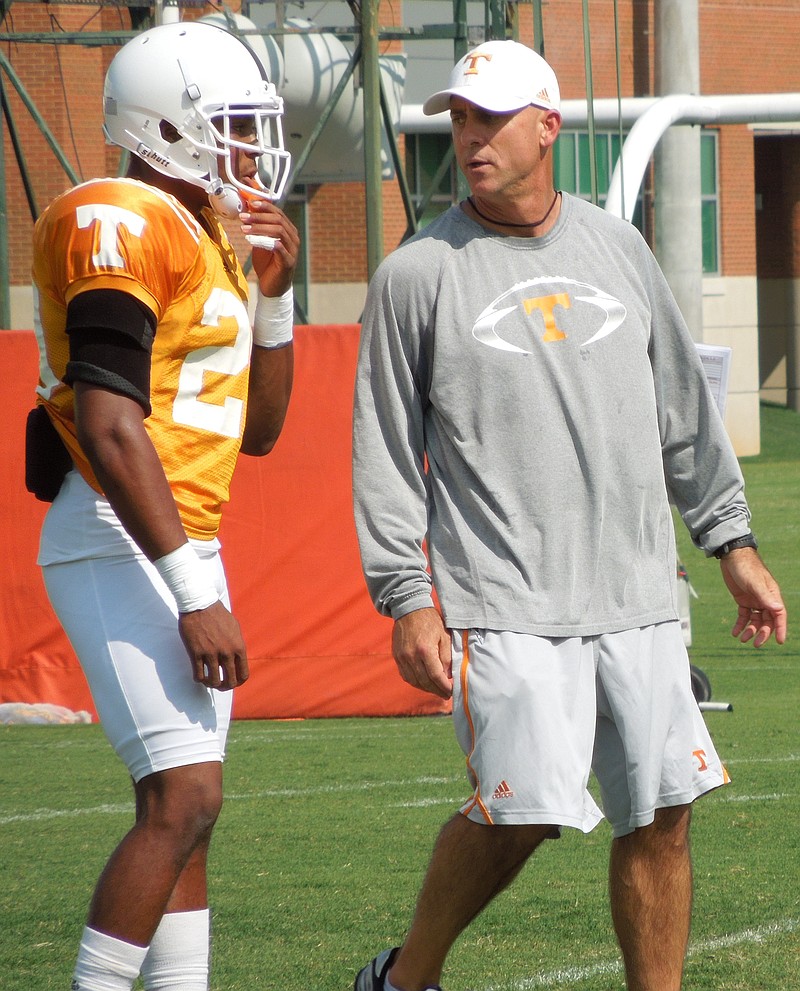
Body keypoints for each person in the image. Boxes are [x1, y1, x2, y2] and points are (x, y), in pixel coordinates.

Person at [351, 39, 787, 991]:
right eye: (460, 117)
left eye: (494, 116)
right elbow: (384, 452)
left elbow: (683, 407)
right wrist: (406, 596)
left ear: (548, 126)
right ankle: (404, 978)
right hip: (502, 600)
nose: (471, 135)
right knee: (524, 810)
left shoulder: (616, 245)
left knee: (663, 812)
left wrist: (733, 542)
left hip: (640, 594)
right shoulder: (415, 274)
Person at [26, 20, 298, 991]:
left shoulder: (212, 236)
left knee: (189, 805)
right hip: (118, 534)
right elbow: (106, 418)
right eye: (227, 123)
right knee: (184, 795)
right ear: (164, 124)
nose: (246, 145)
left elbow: (259, 430)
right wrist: (190, 588)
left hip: (177, 534)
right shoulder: (117, 214)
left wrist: (274, 301)